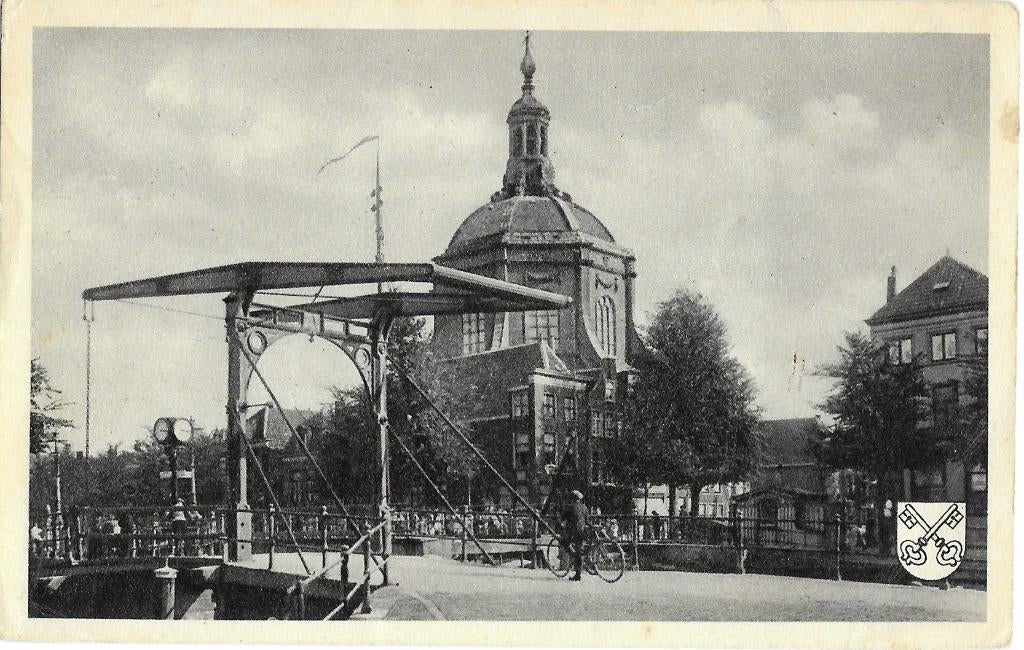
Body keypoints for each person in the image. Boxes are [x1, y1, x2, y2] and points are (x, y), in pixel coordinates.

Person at [559, 490, 588, 581]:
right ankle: (578, 573)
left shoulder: (570, 507)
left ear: (572, 498)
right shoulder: (584, 507)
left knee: (564, 542)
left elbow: (562, 518)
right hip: (582, 532)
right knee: (579, 551)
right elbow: (587, 521)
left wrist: (561, 523)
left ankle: (572, 556)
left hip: (573, 532)